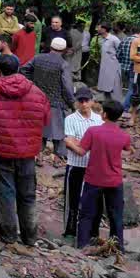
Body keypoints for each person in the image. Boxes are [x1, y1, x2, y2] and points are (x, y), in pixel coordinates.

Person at [0, 56, 50, 246]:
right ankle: (30, 237)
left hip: (1, 152)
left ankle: (8, 237)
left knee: (5, 194)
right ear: (19, 69)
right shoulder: (37, 92)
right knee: (28, 195)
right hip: (27, 154)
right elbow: (45, 120)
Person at [73, 100, 130, 249]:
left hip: (94, 179)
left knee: (86, 213)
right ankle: (118, 247)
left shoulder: (93, 131)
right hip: (115, 181)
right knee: (116, 215)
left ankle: (83, 245)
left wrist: (69, 142)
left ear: (104, 114)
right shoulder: (123, 135)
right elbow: (128, 150)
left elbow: (81, 151)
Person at [21, 37, 77, 160]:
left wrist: (32, 83)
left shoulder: (38, 58)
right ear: (64, 50)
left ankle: (37, 155)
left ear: (50, 47)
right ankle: (59, 156)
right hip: (55, 101)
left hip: (36, 99)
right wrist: (72, 103)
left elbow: (24, 69)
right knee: (57, 130)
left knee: (39, 129)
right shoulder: (63, 64)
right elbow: (67, 86)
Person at [61, 87, 103, 240]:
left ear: (92, 101)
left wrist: (79, 144)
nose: (84, 104)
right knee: (72, 198)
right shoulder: (70, 119)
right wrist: (84, 145)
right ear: (76, 102)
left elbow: (76, 143)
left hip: (93, 166)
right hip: (75, 164)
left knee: (94, 200)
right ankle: (70, 229)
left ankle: (92, 232)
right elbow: (70, 143)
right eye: (81, 101)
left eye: (86, 100)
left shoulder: (99, 120)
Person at [95, 23, 123, 103]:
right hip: (104, 66)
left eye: (99, 28)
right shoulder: (101, 39)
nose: (98, 29)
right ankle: (107, 103)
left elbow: (121, 51)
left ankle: (118, 105)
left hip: (113, 67)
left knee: (115, 86)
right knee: (105, 86)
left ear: (104, 29)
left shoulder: (114, 39)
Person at [117, 25, 138, 109]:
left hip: (124, 68)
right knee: (132, 89)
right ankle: (125, 108)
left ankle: (126, 106)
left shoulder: (125, 39)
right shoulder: (138, 41)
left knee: (129, 88)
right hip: (134, 68)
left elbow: (118, 54)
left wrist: (123, 63)